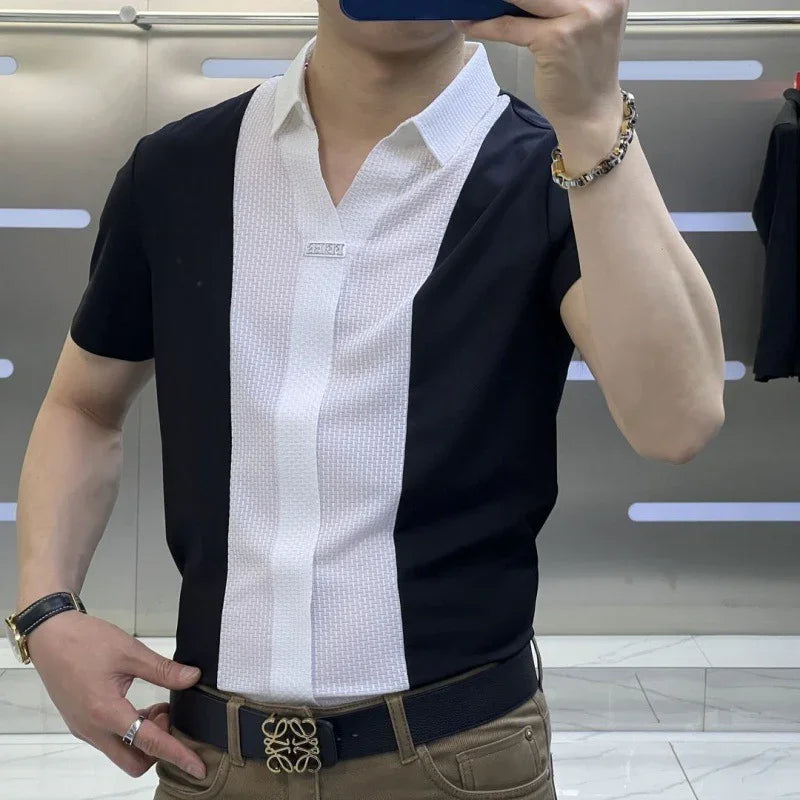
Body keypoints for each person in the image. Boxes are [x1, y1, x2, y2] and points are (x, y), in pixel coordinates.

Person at [7, 1, 726, 798]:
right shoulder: (178, 169)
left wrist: (591, 116)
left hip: (458, 759)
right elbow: (83, 406)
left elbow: (679, 420)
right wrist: (46, 613)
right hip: (211, 760)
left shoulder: (549, 172)